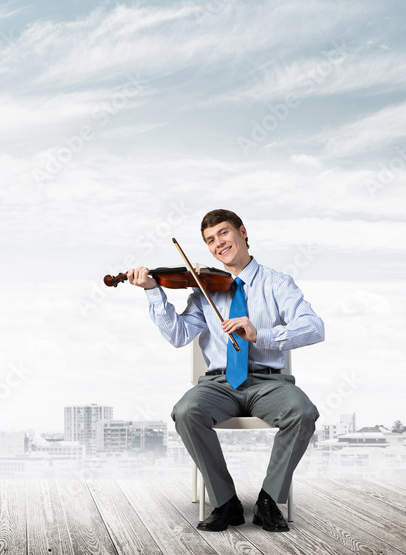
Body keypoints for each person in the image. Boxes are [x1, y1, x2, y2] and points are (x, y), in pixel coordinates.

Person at [128, 208, 323, 533]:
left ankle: (269, 501)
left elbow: (315, 327)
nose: (218, 243)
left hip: (268, 382)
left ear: (242, 231)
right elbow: (178, 336)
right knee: (186, 411)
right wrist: (152, 290)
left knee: (302, 412)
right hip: (218, 383)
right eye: (209, 240)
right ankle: (225, 501)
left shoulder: (277, 283)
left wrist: (261, 334)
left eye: (223, 233)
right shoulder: (205, 288)